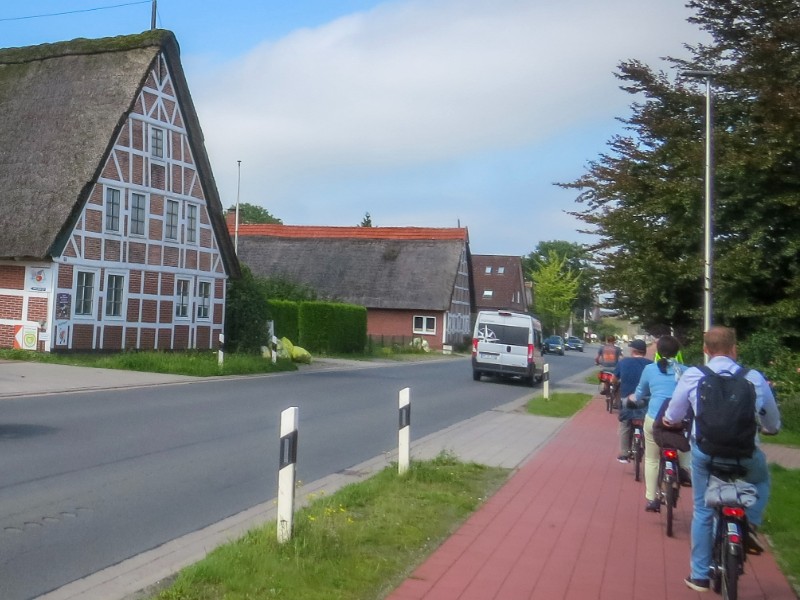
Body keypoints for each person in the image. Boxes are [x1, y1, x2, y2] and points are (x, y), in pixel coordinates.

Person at [664, 326, 781, 593]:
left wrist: (670, 421)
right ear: (734, 349)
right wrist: (770, 429)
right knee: (761, 479)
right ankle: (749, 523)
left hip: (706, 454)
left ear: (706, 349)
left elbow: (674, 413)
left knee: (703, 510)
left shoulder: (694, 375)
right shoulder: (753, 377)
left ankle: (700, 576)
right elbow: (772, 421)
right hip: (745, 454)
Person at [634, 335, 689, 512]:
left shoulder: (650, 370)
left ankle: (651, 498)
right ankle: (683, 471)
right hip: (678, 422)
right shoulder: (687, 371)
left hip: (654, 420)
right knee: (685, 446)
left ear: (658, 352)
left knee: (651, 458)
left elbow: (640, 392)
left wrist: (633, 399)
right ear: (677, 352)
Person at [613, 339, 652, 462]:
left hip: (627, 400)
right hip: (646, 400)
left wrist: (617, 383)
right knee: (647, 424)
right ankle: (647, 449)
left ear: (633, 351)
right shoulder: (651, 365)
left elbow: (614, 379)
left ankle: (624, 453)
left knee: (625, 424)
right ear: (644, 352)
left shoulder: (623, 362)